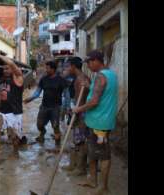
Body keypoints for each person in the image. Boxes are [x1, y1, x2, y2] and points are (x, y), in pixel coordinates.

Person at [72, 50, 118, 195]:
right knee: (92, 152)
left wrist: (79, 108)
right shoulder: (109, 75)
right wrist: (88, 85)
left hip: (100, 124)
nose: (89, 66)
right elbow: (98, 93)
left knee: (103, 155)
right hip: (94, 121)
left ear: (97, 60)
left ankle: (103, 187)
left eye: (90, 62)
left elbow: (94, 101)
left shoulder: (101, 77)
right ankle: (92, 180)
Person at [0, 52, 24, 164]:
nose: (5, 71)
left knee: (13, 136)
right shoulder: (2, 80)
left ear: (13, 69)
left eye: (7, 68)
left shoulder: (18, 77)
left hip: (14, 112)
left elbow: (11, 63)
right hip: (2, 111)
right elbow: (1, 95)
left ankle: (15, 150)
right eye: (4, 69)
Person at [24, 61, 68, 147]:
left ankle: (57, 145)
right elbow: (38, 92)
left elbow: (66, 94)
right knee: (39, 124)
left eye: (47, 68)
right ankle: (42, 133)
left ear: (53, 69)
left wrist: (66, 107)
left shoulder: (61, 80)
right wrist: (31, 98)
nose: (46, 70)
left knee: (55, 126)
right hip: (44, 106)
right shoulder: (44, 79)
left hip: (56, 107)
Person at [62, 56, 90, 177]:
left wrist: (75, 113)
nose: (67, 68)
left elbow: (81, 101)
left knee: (80, 141)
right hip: (78, 111)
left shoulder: (81, 79)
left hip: (81, 114)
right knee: (76, 140)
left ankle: (81, 168)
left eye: (68, 66)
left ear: (73, 66)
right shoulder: (78, 78)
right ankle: (74, 164)